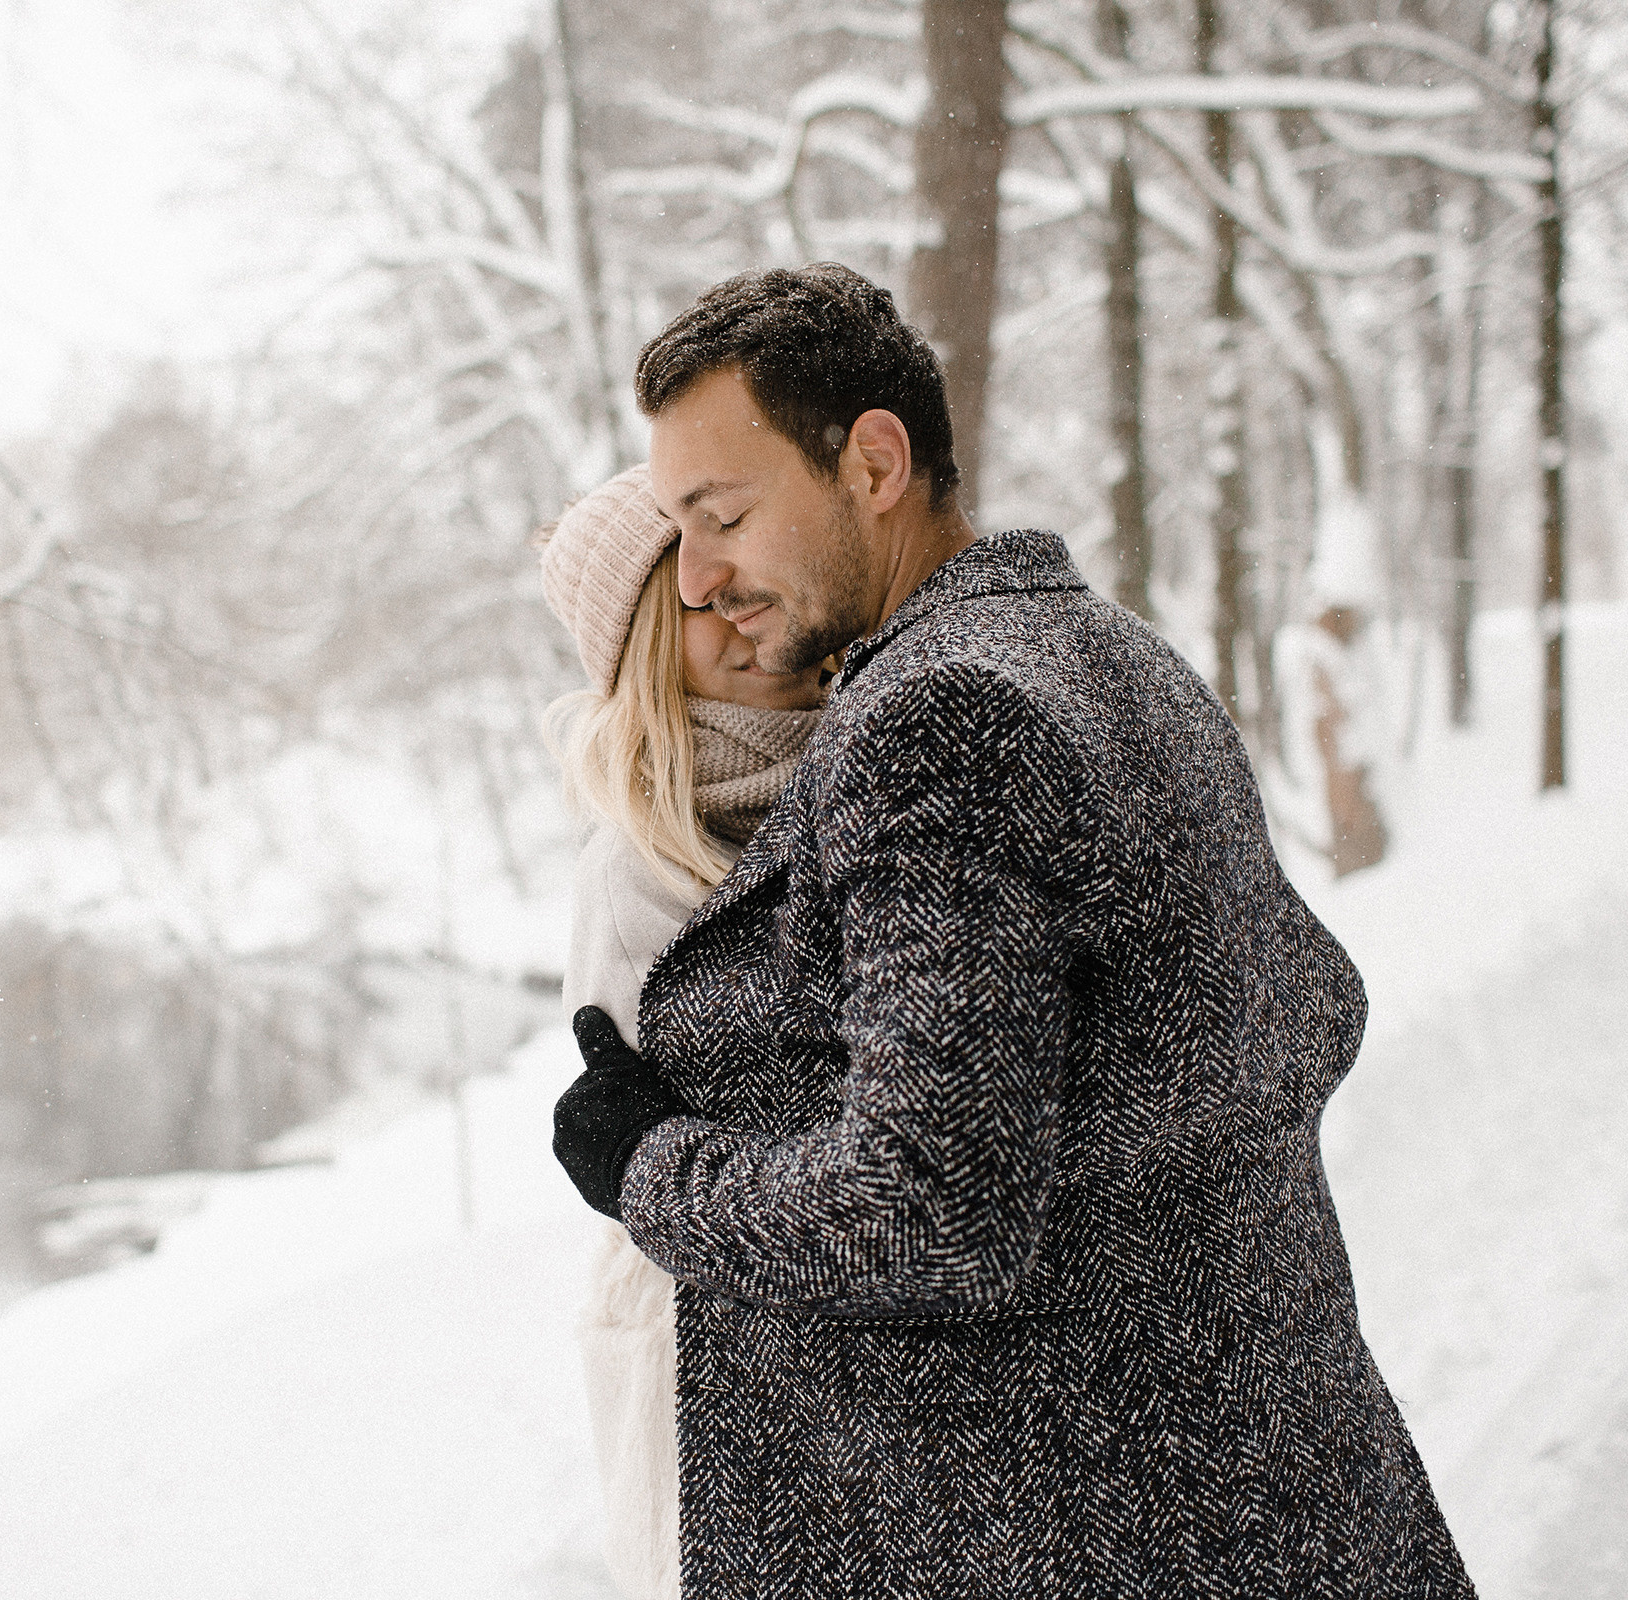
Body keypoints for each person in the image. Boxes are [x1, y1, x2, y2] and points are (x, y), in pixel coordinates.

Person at [549, 264, 1475, 1597]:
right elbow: (1302, 1007)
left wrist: (650, 1167)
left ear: (874, 462)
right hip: (1275, 1486)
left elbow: (923, 1215)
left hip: (1100, 1518)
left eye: (722, 516)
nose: (700, 575)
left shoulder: (932, 722)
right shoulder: (1113, 654)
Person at [539, 464, 831, 1600]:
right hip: (697, 1316)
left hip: (815, 1273)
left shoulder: (862, 755)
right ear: (649, 646)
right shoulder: (638, 861)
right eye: (700, 608)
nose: (746, 624)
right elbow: (646, 1125)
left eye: (747, 586)